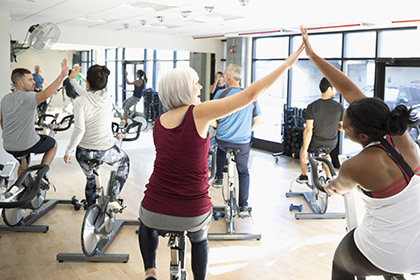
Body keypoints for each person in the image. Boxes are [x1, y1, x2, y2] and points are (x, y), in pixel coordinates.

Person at [138, 45, 304, 280]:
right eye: (196, 83)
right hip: (192, 210)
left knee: (146, 223)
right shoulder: (198, 112)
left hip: (155, 205)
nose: (201, 86)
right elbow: (249, 96)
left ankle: (150, 272)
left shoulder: (160, 120)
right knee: (199, 238)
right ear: (185, 88)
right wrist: (286, 65)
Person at [301, 25, 420, 279]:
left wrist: (328, 186)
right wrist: (313, 56)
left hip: (389, 255)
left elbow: (337, 187)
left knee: (343, 261)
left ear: (363, 137)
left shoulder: (357, 165)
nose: (343, 128)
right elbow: (349, 90)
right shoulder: (398, 133)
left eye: (346, 127)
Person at [63, 65, 130, 211]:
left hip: (83, 153)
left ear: (88, 81)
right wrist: (77, 81)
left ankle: (91, 209)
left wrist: (68, 151)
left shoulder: (79, 101)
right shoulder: (107, 98)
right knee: (124, 162)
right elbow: (87, 93)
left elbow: (79, 129)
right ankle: (114, 196)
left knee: (90, 177)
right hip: (105, 151)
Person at [210, 64, 262, 218]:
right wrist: (247, 131)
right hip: (242, 142)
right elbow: (258, 121)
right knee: (244, 171)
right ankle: (244, 205)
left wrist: (219, 128)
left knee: (219, 146)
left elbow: (211, 119)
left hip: (224, 140)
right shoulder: (250, 95)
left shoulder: (220, 94)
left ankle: (219, 176)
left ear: (228, 77)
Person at [1, 59, 68, 175]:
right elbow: (46, 94)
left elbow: (2, 120)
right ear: (20, 83)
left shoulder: (5, 98)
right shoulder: (27, 97)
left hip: (8, 145)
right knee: (53, 144)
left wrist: (11, 135)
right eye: (30, 79)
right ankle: (40, 176)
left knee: (24, 162)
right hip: (26, 144)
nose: (33, 82)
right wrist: (61, 76)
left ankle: (22, 186)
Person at [297, 77, 344, 183]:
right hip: (331, 143)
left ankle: (303, 176)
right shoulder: (339, 107)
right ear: (329, 89)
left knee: (303, 149)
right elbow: (341, 127)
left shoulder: (312, 107)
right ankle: (329, 178)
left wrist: (305, 150)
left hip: (315, 142)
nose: (335, 91)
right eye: (334, 89)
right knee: (327, 155)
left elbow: (308, 130)